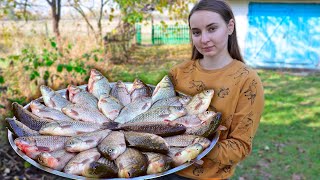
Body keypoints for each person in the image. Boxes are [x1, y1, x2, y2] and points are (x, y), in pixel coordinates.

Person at [165, 0, 265, 179]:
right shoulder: (177, 74)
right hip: (163, 170)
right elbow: (159, 122)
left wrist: (197, 150)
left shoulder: (247, 80)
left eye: (212, 29)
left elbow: (240, 146)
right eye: (196, 32)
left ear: (230, 27)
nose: (204, 39)